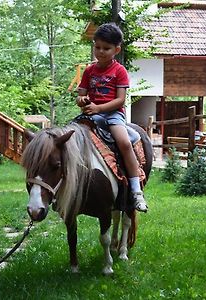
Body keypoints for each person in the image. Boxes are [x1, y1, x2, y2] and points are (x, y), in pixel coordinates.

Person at [76, 23, 148, 213]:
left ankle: (135, 190)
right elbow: (80, 96)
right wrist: (82, 100)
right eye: (97, 47)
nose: (100, 52)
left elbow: (120, 100)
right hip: (91, 114)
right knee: (70, 139)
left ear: (117, 49)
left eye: (106, 48)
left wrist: (99, 107)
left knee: (124, 142)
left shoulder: (119, 71)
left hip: (112, 114)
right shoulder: (89, 71)